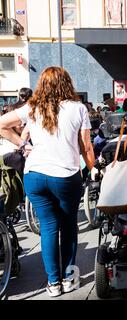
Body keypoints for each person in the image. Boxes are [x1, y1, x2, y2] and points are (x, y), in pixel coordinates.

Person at [0, 66, 95, 297]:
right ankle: (69, 277)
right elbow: (86, 146)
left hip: (35, 176)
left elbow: (2, 123)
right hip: (65, 175)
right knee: (68, 226)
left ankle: (53, 283)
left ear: (42, 85)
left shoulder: (32, 108)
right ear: (66, 83)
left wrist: (23, 145)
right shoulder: (78, 108)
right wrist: (93, 170)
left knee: (49, 229)